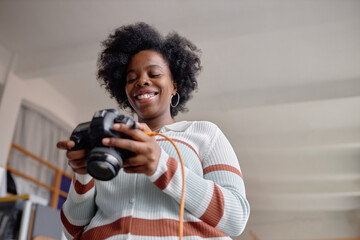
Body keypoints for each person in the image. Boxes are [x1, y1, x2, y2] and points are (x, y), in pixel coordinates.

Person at [57, 22, 250, 240]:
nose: (142, 81)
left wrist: (161, 166)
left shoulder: (205, 133)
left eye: (154, 73)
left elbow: (236, 218)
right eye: (131, 78)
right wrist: (82, 175)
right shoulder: (109, 141)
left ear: (175, 85)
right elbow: (72, 229)